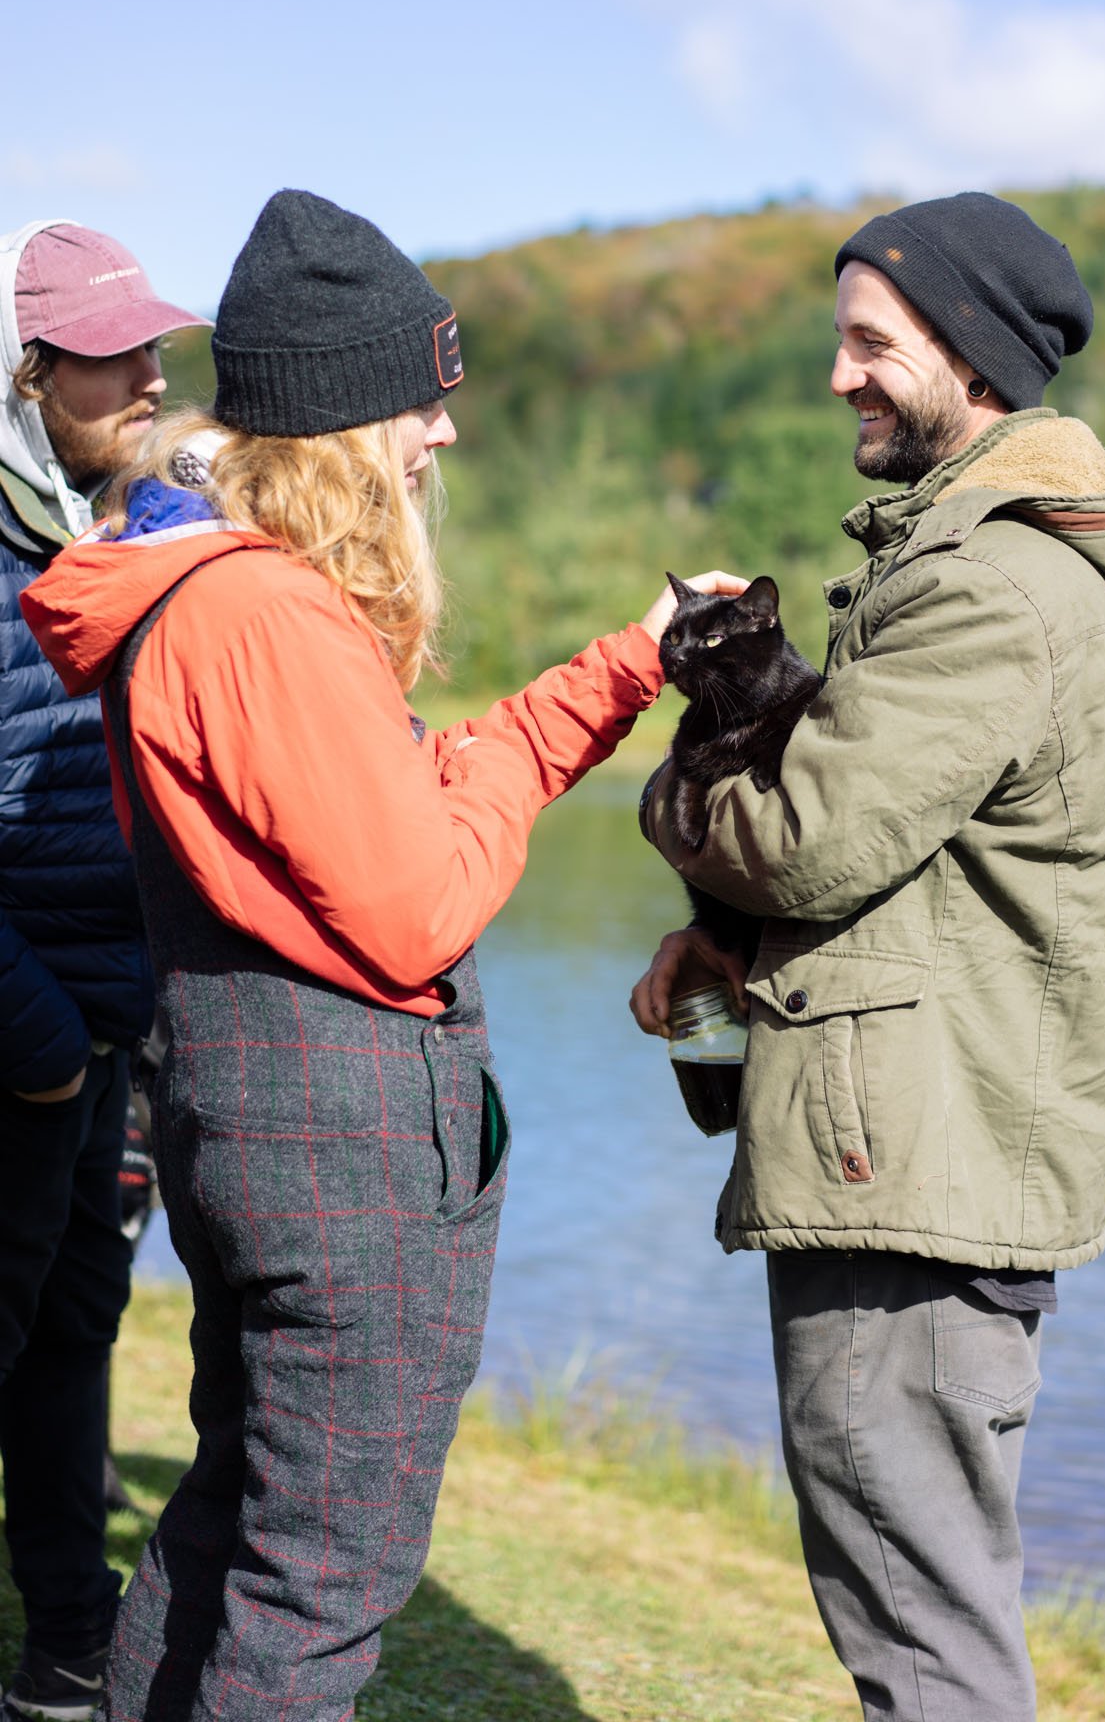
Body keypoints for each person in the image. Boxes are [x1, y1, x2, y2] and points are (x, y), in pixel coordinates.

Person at [23, 188, 740, 1722]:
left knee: (232, 1531)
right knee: (318, 1592)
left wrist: (624, 666)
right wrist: (492, 791)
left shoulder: (232, 599)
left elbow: (405, 795)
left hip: (264, 1122)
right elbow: (420, 904)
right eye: (427, 400)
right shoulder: (265, 618)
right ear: (349, 418)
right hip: (340, 1155)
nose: (445, 435)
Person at [631, 193, 1105, 1722]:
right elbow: (879, 855)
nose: (840, 375)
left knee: (923, 1636)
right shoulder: (966, 562)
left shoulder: (991, 582)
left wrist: (678, 798)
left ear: (973, 357)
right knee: (918, 1599)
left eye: (871, 342)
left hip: (922, 1182)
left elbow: (804, 834)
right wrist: (724, 939)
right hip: (920, 1157)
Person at [0, 221, 206, 1722]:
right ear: (33, 366)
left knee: (73, 1340)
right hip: (26, 1031)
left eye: (153, 346)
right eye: (111, 353)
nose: (147, 373)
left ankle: (66, 1648)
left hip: (108, 1025)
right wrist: (43, 1039)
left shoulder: (131, 518)